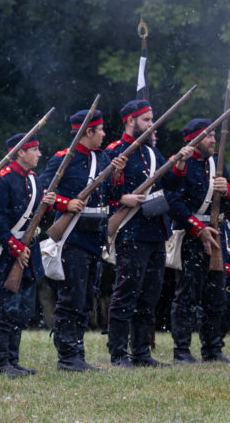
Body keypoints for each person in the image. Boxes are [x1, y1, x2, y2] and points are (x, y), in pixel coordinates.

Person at [106, 99, 193, 367]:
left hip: (156, 231)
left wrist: (179, 164)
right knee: (126, 294)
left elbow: (170, 184)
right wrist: (122, 196)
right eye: (146, 120)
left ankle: (141, 353)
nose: (151, 124)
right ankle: (118, 354)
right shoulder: (115, 151)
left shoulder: (152, 153)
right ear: (130, 121)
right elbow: (105, 191)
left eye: (152, 119)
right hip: (131, 230)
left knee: (149, 296)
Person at [39, 110, 126, 371]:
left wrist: (117, 175)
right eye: (100, 130)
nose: (104, 134)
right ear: (88, 131)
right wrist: (66, 203)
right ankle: (68, 356)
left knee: (87, 298)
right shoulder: (63, 159)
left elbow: (113, 197)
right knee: (72, 297)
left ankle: (77, 353)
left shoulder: (103, 159)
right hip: (73, 236)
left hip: (95, 235)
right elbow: (43, 191)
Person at [0, 133, 56, 377]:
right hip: (9, 252)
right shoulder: (2, 180)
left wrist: (48, 206)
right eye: (34, 149)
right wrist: (15, 248)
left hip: (29, 251)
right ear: (20, 152)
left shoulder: (34, 180)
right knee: (3, 309)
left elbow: (39, 220)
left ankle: (12, 361)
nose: (39, 154)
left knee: (21, 310)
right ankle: (0, 364)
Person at [167, 118, 229, 364]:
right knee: (187, 296)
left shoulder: (217, 163)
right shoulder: (180, 164)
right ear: (193, 140)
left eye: (214, 135)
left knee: (216, 296)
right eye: (208, 136)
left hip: (216, 235)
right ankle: (182, 350)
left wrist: (226, 190)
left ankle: (212, 348)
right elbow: (174, 202)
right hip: (191, 235)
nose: (213, 140)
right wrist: (198, 229)